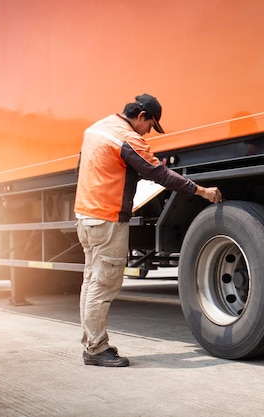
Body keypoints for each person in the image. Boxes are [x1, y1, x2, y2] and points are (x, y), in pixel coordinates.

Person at [74, 93, 222, 367]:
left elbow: (82, 169)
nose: (149, 132)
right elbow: (159, 174)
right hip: (106, 219)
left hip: (86, 216)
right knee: (104, 284)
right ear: (141, 116)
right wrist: (201, 191)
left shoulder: (97, 128)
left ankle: (90, 343)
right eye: (151, 126)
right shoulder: (127, 137)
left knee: (92, 281)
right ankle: (95, 349)